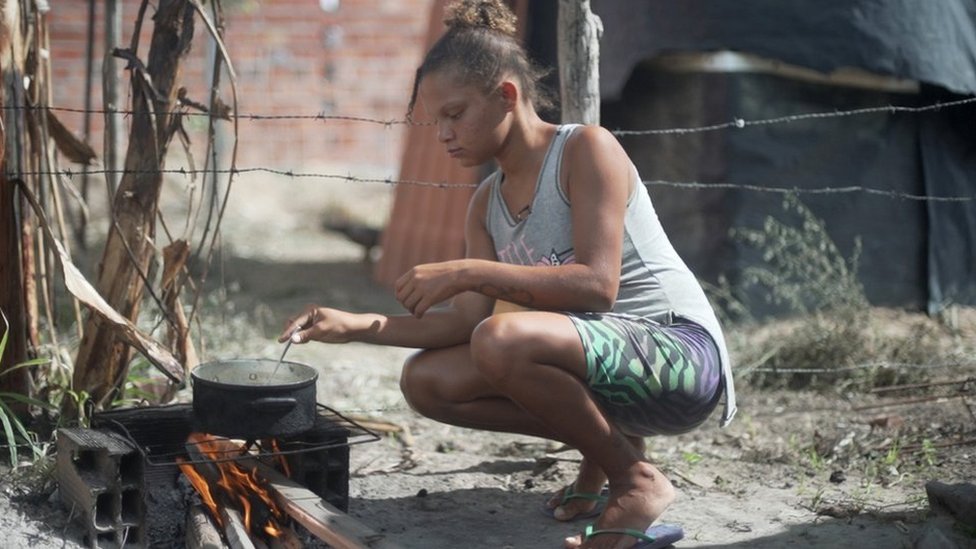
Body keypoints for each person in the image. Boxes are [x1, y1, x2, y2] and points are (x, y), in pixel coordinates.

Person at [279, 1, 736, 547]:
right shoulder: (486, 204)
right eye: (435, 121)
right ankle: (610, 454)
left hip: (680, 360)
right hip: (607, 366)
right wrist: (356, 325)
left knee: (501, 339)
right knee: (428, 381)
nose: (443, 134)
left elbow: (597, 286)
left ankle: (633, 478)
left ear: (507, 96)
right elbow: (461, 324)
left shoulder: (586, 149)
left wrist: (469, 270)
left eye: (454, 113)